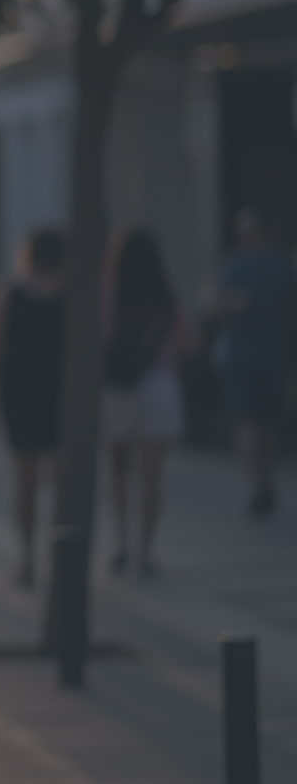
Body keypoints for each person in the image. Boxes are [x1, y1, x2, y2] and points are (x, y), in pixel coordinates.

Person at [100, 227, 195, 579]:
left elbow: (99, 341)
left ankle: (121, 542)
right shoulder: (165, 297)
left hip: (118, 387)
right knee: (151, 476)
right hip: (160, 385)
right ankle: (146, 549)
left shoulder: (108, 295)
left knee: (118, 470)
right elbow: (188, 343)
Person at [0, 227, 67, 589]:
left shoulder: (9, 291)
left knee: (25, 482)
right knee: (60, 482)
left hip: (20, 394)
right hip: (59, 396)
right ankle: (63, 555)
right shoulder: (73, 294)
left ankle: (28, 557)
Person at [209, 206, 294, 518]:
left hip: (257, 353)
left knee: (256, 421)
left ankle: (261, 481)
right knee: (256, 420)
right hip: (260, 353)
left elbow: (217, 305)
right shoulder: (278, 265)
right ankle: (261, 481)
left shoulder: (252, 265)